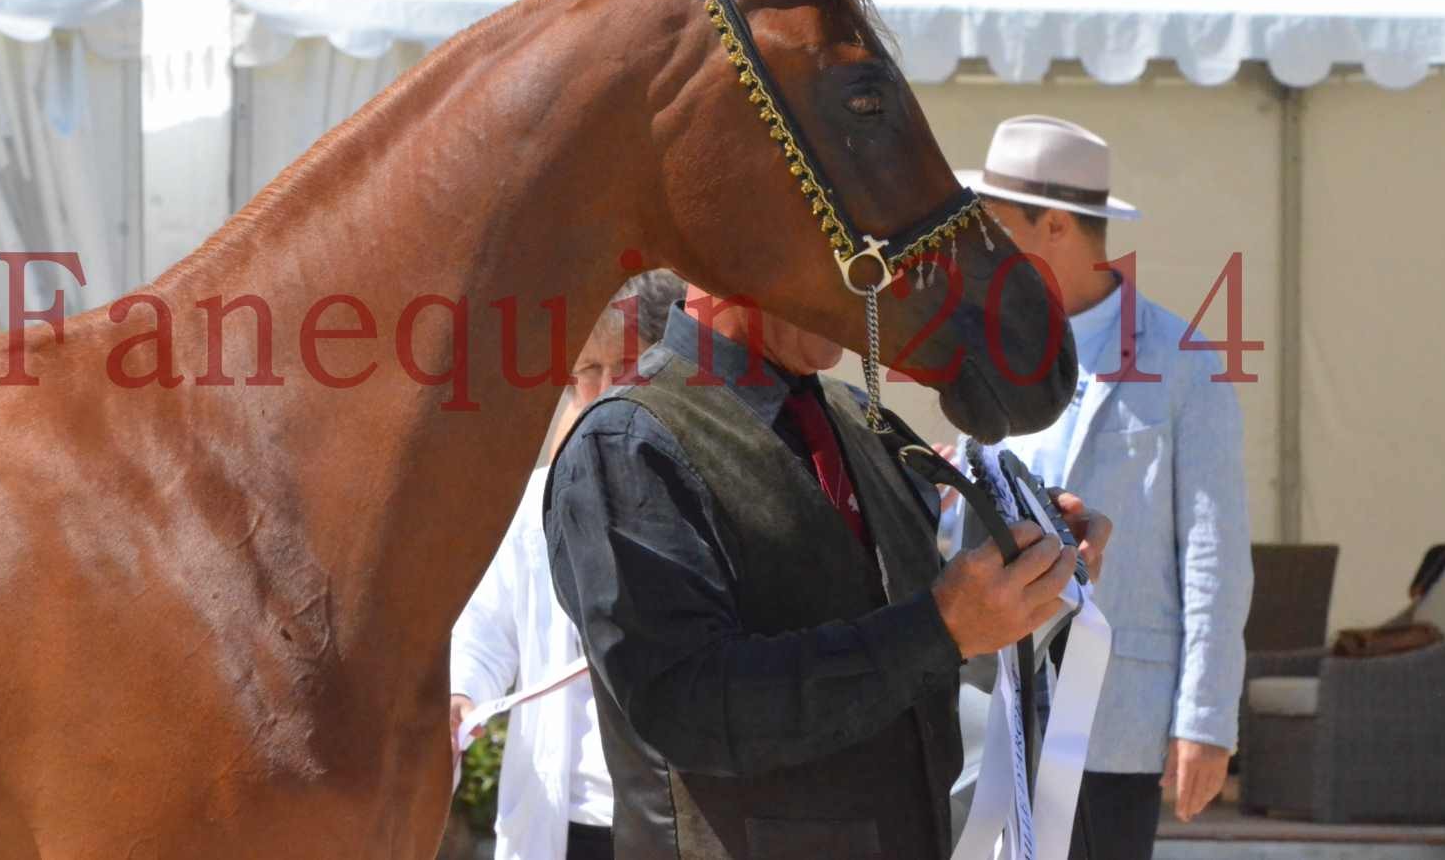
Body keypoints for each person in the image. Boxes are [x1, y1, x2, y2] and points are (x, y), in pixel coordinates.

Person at [544, 289, 1111, 860]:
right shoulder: (626, 441)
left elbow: (921, 650)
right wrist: (941, 626)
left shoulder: (860, 419)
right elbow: (689, 709)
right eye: (831, 251)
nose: (861, 289)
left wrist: (1028, 570)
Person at [956, 115, 1253, 859]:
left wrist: (1206, 719)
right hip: (986, 712)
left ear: (1053, 226)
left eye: (994, 228)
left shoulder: (1184, 364)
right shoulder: (982, 353)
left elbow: (1213, 555)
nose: (980, 251)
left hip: (1114, 719)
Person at [450, 270, 684, 860]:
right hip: (561, 824)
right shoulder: (532, 504)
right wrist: (460, 695)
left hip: (678, 824)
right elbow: (484, 634)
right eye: (587, 372)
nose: (603, 392)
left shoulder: (703, 499)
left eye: (625, 366)